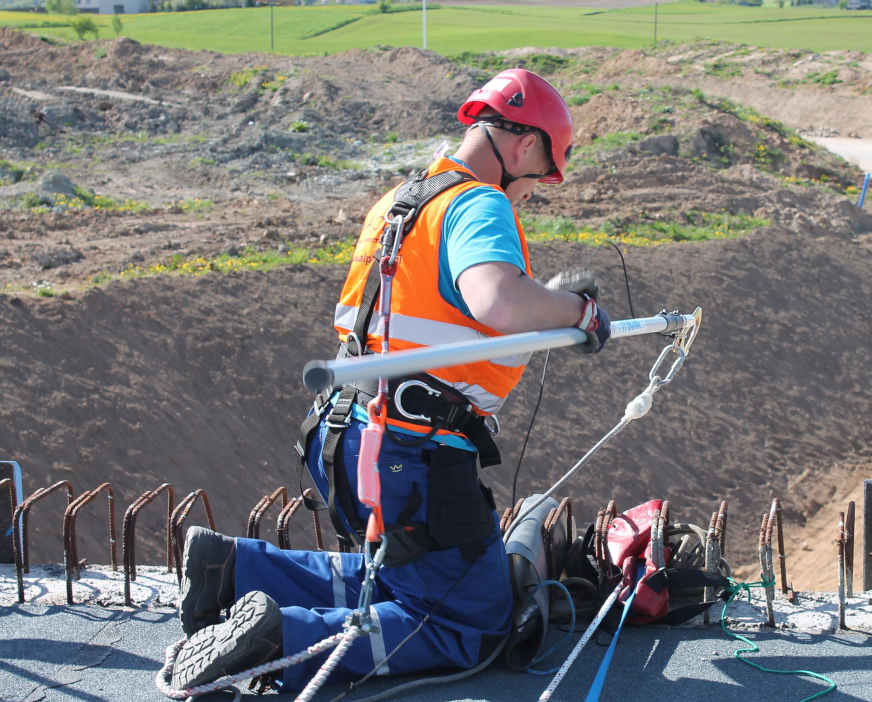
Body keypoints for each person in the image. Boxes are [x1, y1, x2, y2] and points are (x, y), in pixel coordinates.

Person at [171, 68, 611, 691]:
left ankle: (233, 570)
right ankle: (279, 639)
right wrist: (578, 312)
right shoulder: (478, 202)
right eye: (539, 176)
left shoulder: (403, 200)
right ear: (522, 146)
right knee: (469, 621)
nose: (532, 192)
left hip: (347, 430)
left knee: (411, 578)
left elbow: (432, 311)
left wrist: (547, 304)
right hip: (413, 451)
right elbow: (496, 301)